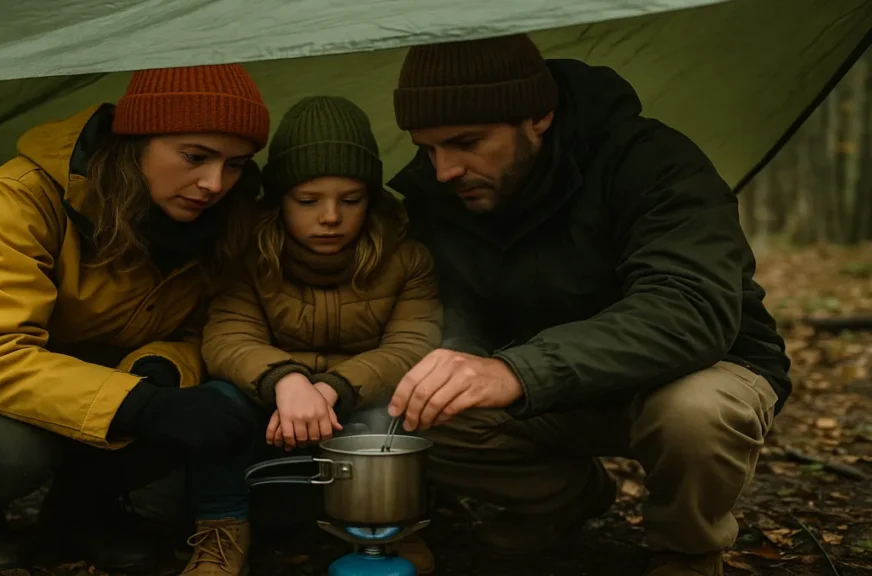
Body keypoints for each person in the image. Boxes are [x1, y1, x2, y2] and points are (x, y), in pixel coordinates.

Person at [383, 34, 792, 576]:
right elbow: (457, 313)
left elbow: (690, 310)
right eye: (428, 148)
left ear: (538, 116)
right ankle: (563, 498)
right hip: (547, 392)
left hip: (687, 375)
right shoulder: (439, 198)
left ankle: (685, 551)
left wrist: (515, 368)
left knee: (696, 414)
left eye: (466, 142)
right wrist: (459, 355)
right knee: (409, 407)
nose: (444, 170)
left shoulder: (653, 163)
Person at [0, 64, 272, 574]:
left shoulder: (225, 222)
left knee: (198, 410)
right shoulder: (22, 197)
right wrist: (139, 405)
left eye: (236, 165)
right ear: (136, 141)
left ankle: (76, 517)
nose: (215, 183)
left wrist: (162, 371)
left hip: (96, 389)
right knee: (7, 451)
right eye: (195, 157)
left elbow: (202, 328)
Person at [196, 95, 443, 575]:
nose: (330, 216)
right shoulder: (249, 254)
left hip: (359, 402)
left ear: (370, 199)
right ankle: (222, 532)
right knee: (215, 405)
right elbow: (227, 336)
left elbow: (413, 344)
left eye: (350, 200)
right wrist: (286, 382)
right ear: (280, 198)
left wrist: (334, 388)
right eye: (308, 201)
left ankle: (392, 533)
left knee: (393, 416)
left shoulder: (406, 257)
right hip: (270, 403)